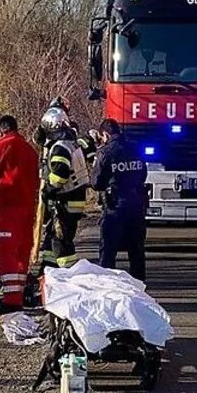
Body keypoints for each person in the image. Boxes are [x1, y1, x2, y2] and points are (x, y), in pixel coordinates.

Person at [0, 114, 40, 314]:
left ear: (1, 130)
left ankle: (11, 300)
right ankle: (19, 294)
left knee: (7, 253)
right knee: (22, 252)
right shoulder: (29, 149)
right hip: (28, 207)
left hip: (8, 207)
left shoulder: (2, 145)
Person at [91, 119, 148, 281]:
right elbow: (143, 174)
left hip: (114, 207)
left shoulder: (105, 152)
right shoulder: (136, 148)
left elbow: (96, 183)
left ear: (105, 134)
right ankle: (139, 285)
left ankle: (107, 284)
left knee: (108, 250)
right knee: (136, 250)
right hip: (136, 206)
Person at [39, 105, 90, 269]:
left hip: (65, 200)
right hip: (76, 200)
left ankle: (67, 272)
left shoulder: (60, 147)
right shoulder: (73, 143)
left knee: (60, 240)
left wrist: (47, 190)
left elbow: (60, 175)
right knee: (55, 236)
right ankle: (48, 267)